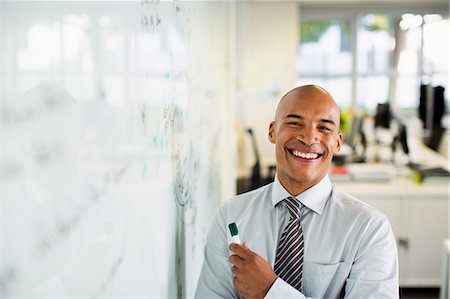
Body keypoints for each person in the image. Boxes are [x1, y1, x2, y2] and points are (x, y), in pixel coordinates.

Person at [195, 85, 398, 298]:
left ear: (338, 142)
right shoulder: (230, 216)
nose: (309, 138)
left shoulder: (369, 228)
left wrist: (270, 291)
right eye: (295, 123)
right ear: (272, 131)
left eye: (324, 128)